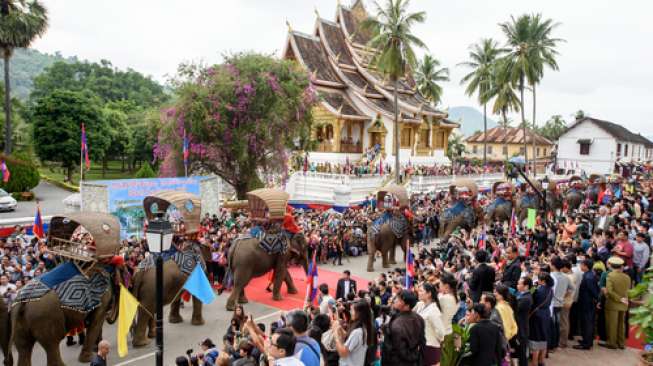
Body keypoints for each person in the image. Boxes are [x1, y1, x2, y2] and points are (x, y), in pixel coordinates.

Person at [381, 290, 425, 366]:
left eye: (399, 299)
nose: (395, 300)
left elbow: (400, 352)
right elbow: (422, 342)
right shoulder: (419, 318)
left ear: (407, 305)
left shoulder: (397, 325)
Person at [601, 256, 631, 349]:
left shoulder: (610, 275)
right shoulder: (627, 277)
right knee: (621, 324)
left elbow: (609, 291)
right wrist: (624, 299)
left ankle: (612, 343)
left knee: (612, 324)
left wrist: (619, 299)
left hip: (613, 303)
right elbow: (628, 290)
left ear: (611, 265)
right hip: (624, 304)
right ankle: (621, 343)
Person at [332, 300, 375, 366]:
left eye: (352, 310)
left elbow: (343, 353)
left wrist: (336, 335)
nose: (350, 312)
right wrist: (340, 328)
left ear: (359, 313)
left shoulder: (357, 332)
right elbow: (350, 338)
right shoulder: (364, 328)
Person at [414, 283, 445, 365]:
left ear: (429, 294)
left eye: (421, 291)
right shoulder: (420, 305)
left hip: (431, 347)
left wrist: (436, 341)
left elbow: (441, 332)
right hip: (421, 346)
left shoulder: (434, 310)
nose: (418, 292)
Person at [574, 259, 600, 350]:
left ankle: (586, 343)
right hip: (586, 302)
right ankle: (586, 340)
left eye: (581, 265)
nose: (580, 266)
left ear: (585, 266)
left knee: (587, 323)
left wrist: (597, 300)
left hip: (587, 303)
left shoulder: (589, 277)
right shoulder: (588, 275)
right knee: (586, 322)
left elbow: (594, 291)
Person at [529, 273, 553, 366]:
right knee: (544, 337)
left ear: (542, 281)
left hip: (537, 315)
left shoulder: (538, 290)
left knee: (536, 338)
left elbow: (529, 294)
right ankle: (541, 360)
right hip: (546, 314)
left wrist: (534, 286)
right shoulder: (550, 289)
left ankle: (534, 362)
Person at [515, 277, 533, 366]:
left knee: (521, 353)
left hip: (521, 329)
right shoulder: (521, 294)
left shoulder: (526, 298)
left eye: (519, 284)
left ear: (526, 286)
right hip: (520, 327)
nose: (517, 285)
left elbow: (515, 309)